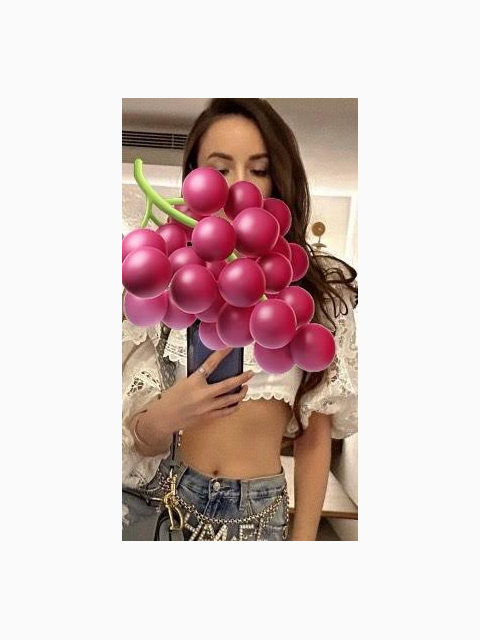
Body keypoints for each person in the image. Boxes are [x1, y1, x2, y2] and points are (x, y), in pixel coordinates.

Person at [122, 98, 358, 541]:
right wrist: (165, 416)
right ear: (195, 176)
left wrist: (303, 542)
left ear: (279, 176)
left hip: (260, 517)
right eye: (221, 168)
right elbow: (139, 441)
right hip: (167, 506)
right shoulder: (171, 276)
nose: (239, 185)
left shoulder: (315, 289)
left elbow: (315, 433)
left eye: (259, 168)